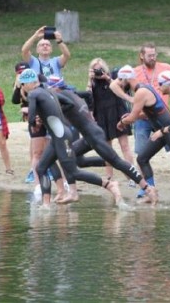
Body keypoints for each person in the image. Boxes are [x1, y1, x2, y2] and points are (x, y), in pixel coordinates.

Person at [18, 69, 122, 208]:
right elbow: (68, 103)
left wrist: (35, 124)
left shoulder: (34, 94)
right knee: (41, 167)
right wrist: (51, 115)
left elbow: (30, 118)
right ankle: (46, 204)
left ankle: (109, 185)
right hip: (58, 136)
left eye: (23, 85)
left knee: (73, 171)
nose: (22, 88)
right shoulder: (48, 90)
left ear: (28, 83)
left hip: (61, 137)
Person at [115, 65, 170, 195]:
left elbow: (133, 117)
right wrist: (130, 117)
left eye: (121, 81)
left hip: (169, 130)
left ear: (126, 80)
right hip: (160, 132)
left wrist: (122, 122)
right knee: (142, 158)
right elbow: (146, 114)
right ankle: (149, 189)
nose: (121, 85)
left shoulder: (141, 92)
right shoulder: (142, 89)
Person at [87, 58, 133, 176]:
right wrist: (90, 79)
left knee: (125, 146)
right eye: (95, 69)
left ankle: (131, 174)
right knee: (107, 149)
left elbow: (121, 88)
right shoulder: (92, 82)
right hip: (102, 115)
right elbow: (88, 97)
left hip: (117, 111)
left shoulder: (112, 77)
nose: (98, 72)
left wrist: (107, 78)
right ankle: (109, 177)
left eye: (100, 69)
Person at [12, 61, 48, 186]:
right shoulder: (21, 83)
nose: (23, 74)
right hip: (32, 118)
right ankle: (35, 173)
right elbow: (15, 100)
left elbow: (47, 93)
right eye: (20, 73)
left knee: (47, 146)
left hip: (44, 115)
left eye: (25, 71)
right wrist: (18, 86)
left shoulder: (39, 80)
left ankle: (48, 170)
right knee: (36, 148)